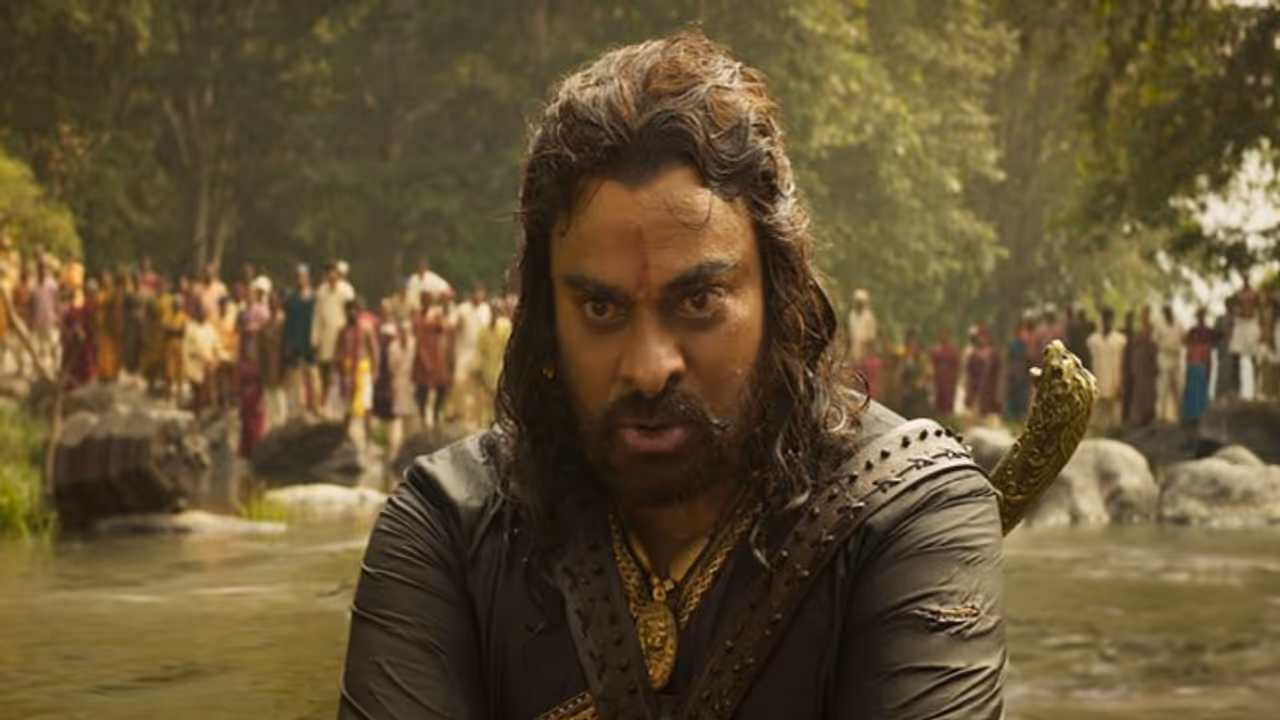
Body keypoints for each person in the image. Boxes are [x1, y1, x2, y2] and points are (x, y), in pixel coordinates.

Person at [339, 32, 1004, 719]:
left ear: (779, 298)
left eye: (699, 301)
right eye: (601, 308)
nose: (650, 369)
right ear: (547, 316)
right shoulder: (449, 529)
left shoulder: (906, 517)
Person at [312, 261, 350, 415]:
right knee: (326, 373)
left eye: (333, 271)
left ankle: (343, 407)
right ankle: (325, 406)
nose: (331, 275)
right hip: (326, 338)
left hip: (342, 338)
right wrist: (315, 340)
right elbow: (317, 318)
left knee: (342, 373)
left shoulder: (346, 290)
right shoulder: (321, 292)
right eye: (328, 272)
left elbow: (351, 313)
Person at [283, 264, 317, 418]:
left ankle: (316, 405)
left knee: (313, 375)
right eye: (298, 276)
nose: (300, 279)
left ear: (308, 278)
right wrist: (287, 342)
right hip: (295, 341)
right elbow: (287, 322)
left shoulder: (314, 298)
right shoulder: (291, 299)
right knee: (297, 379)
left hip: (310, 341)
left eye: (302, 276)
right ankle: (301, 408)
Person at [1086, 308, 1127, 429]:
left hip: (1114, 382)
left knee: (1114, 421)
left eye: (1109, 319)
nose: (1107, 322)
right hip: (1097, 382)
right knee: (1096, 422)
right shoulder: (1092, 340)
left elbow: (1123, 364)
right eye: (1105, 319)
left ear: (1112, 320)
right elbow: (1089, 362)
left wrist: (1121, 383)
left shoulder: (1120, 340)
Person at [1181, 308, 1217, 424]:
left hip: (1201, 365)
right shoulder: (1192, 332)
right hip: (1193, 367)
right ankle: (1190, 415)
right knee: (1191, 391)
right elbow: (1186, 348)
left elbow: (1212, 347)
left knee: (1201, 389)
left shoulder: (1208, 332)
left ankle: (1201, 414)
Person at [1153, 304, 1184, 423]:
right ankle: (1162, 416)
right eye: (1165, 312)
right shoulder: (1160, 325)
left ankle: (1179, 415)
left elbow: (1184, 338)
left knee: (1177, 387)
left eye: (1169, 311)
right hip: (1164, 357)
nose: (1167, 313)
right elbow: (1155, 341)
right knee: (1163, 387)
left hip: (1176, 357)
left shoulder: (1178, 324)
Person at [1126, 307, 1158, 426]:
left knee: (1149, 390)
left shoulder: (1152, 329)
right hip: (1139, 363)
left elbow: (1155, 346)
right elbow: (1134, 346)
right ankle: (1139, 417)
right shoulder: (1139, 331)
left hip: (1148, 364)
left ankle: (1149, 416)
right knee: (1139, 390)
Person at [1005, 318, 1034, 421]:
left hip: (1023, 373)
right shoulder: (1014, 344)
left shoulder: (1027, 345)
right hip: (1015, 373)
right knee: (1014, 393)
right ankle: (1013, 415)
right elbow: (1009, 358)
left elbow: (1029, 359)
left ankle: (1021, 414)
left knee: (1023, 394)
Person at [928, 328, 960, 416]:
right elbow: (931, 363)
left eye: (946, 335)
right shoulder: (935, 349)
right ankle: (938, 414)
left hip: (949, 377)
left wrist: (956, 376)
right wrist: (931, 374)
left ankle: (948, 415)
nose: (944, 337)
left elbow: (957, 364)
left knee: (948, 396)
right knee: (938, 397)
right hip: (938, 376)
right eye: (942, 335)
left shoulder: (953, 350)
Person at [846, 288, 877, 365]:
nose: (859, 304)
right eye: (858, 302)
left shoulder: (869, 316)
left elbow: (871, 336)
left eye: (861, 302)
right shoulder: (852, 315)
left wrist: (867, 351)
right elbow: (849, 333)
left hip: (864, 349)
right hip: (853, 348)